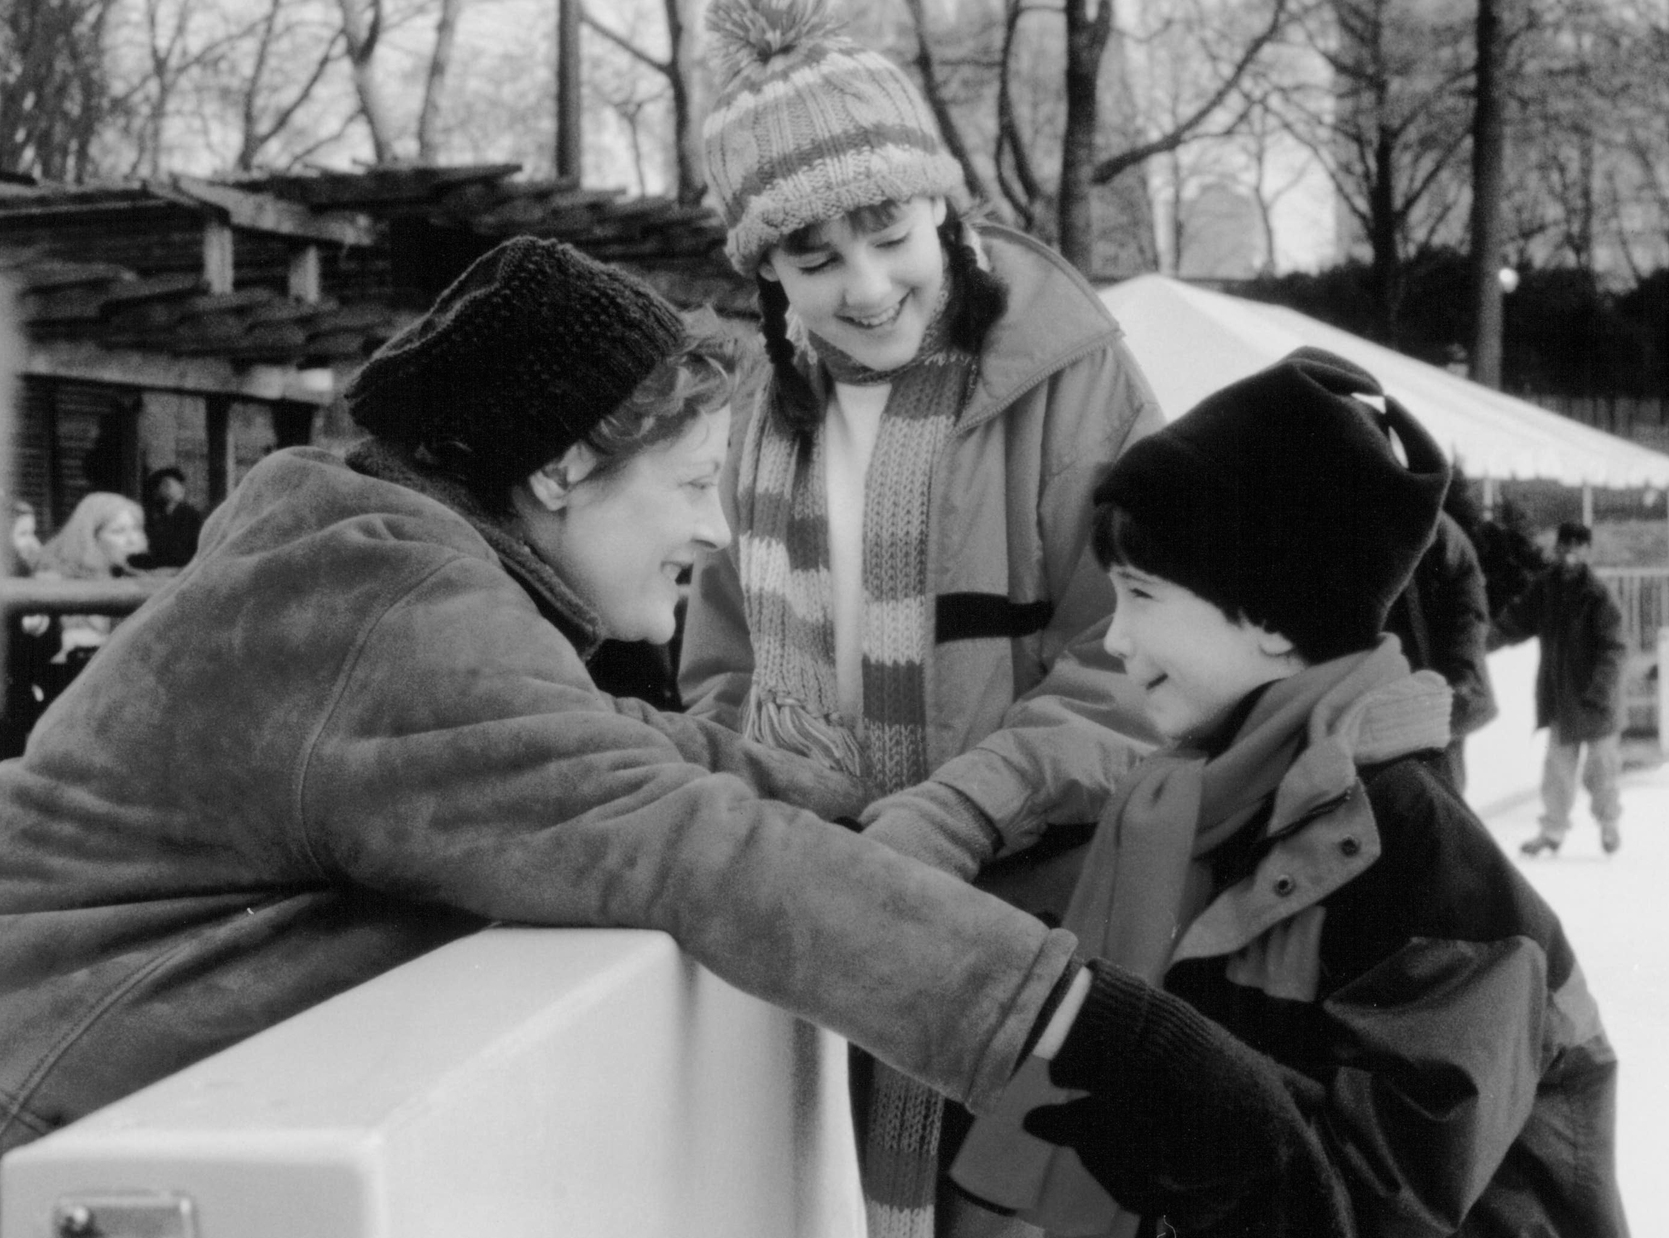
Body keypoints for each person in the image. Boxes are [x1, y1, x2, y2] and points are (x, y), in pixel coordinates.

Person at [0, 236, 1099, 1169]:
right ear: (564, 467)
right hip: (41, 1144)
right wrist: (1085, 1033)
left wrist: (888, 809)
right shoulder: (396, 615)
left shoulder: (368, 572)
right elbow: (682, 843)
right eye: (687, 483)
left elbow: (620, 744)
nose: (716, 530)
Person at [952, 349, 1635, 1238]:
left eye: (1142, 596)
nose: (1113, 640)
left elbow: (1374, 1203)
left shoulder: (1421, 863)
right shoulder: (1193, 809)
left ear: (1274, 616)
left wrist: (1195, 1111)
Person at [685, 2, 1163, 1238]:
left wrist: (961, 808)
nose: (866, 284)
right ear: (764, 269)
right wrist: (784, 778)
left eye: (890, 232)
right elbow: (719, 656)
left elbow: (1143, 660)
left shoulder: (1071, 377)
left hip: (1039, 921)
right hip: (820, 910)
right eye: (810, 254)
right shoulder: (750, 422)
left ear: (942, 209)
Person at [1492, 521, 1627, 857]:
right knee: (1557, 769)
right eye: (1564, 545)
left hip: (1596, 699)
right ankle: (1552, 831)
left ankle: (1608, 824)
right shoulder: (1545, 589)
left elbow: (1615, 648)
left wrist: (1601, 690)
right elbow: (1515, 622)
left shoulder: (1598, 595)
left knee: (1602, 767)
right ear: (1557, 548)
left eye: (1577, 546)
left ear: (1587, 551)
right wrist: (1480, 643)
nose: (1569, 552)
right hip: (1561, 698)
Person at [1382, 506, 1497, 791]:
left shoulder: (1434, 529)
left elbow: (1468, 616)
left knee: (1441, 800)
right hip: (1392, 696)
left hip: (1438, 694)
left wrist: (1458, 684)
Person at [31, 490, 148, 693]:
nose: (132, 540)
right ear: (90, 537)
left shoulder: (127, 576)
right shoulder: (53, 579)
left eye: (136, 529)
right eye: (119, 531)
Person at [2, 498, 58, 759]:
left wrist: (42, 627)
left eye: (33, 532)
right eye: (23, 534)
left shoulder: (25, 575)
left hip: (15, 702)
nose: (34, 543)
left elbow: (50, 646)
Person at [140, 464, 205, 568]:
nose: (177, 488)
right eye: (166, 485)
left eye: (179, 484)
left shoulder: (191, 516)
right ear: (156, 490)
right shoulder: (150, 516)